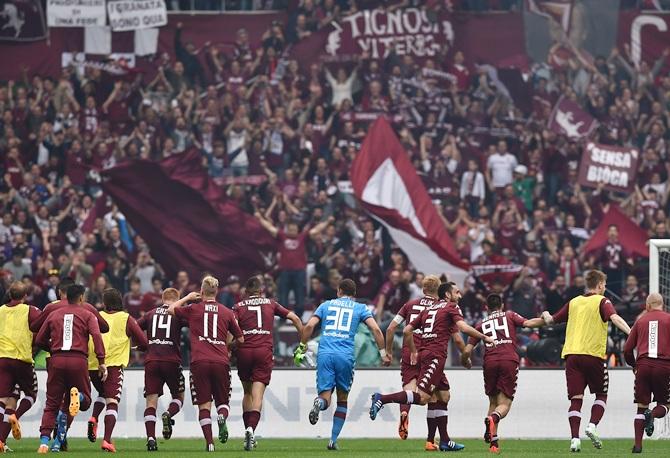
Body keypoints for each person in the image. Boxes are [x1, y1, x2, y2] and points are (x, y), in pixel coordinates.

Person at [369, 283, 492, 452]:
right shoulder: (451, 307)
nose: (460, 295)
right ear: (447, 295)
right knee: (424, 398)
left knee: (443, 395)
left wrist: (412, 349)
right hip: (435, 357)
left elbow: (406, 331)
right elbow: (462, 329)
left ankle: (443, 441)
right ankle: (382, 398)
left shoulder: (427, 309)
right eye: (457, 292)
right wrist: (484, 337)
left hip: (426, 354)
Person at [541, 269, 631, 452]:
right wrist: (632, 333)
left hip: (572, 356)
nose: (605, 288)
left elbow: (550, 321)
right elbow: (614, 318)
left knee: (576, 399)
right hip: (592, 354)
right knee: (601, 394)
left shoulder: (573, 302)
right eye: (604, 285)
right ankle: (592, 426)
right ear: (599, 285)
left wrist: (544, 313)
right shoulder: (602, 301)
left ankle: (575, 439)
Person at [294, 278, 388, 451]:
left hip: (325, 354)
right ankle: (333, 440)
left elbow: (309, 326)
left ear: (338, 291)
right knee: (342, 399)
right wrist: (383, 353)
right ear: (354, 294)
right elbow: (375, 329)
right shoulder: (361, 308)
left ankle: (319, 404)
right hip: (345, 356)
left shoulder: (325, 305)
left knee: (325, 397)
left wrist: (301, 347)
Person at [384, 276, 466, 449]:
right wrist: (465, 355)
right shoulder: (442, 308)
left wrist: (389, 352)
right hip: (431, 350)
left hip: (410, 349)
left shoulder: (410, 305)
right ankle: (431, 440)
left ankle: (405, 411)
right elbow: (457, 337)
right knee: (434, 396)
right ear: (439, 291)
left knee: (410, 389)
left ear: (423, 290)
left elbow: (391, 327)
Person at [461, 293, 546, 454]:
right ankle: (493, 419)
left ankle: (494, 444)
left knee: (493, 402)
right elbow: (529, 323)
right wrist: (544, 319)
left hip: (490, 362)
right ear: (502, 305)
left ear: (486, 308)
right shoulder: (510, 315)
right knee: (504, 404)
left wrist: (466, 361)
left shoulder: (481, 323)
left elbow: (467, 350)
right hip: (508, 360)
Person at [168, 276, 244, 452]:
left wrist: (187, 298)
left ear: (201, 292)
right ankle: (222, 417)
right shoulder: (227, 312)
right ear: (216, 292)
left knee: (204, 405)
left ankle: (210, 443)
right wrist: (227, 346)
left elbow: (171, 310)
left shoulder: (193, 309)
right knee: (223, 403)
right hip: (221, 361)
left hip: (199, 362)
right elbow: (241, 338)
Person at [34, 284, 107, 454]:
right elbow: (97, 335)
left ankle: (45, 442)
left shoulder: (54, 314)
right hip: (78, 360)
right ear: (81, 297)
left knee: (52, 404)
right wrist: (101, 360)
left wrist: (52, 349)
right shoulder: (88, 314)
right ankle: (79, 395)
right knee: (85, 401)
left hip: (57, 360)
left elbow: (39, 340)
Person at [233, 276, 303, 451]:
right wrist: (303, 343)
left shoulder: (238, 306)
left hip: (244, 351)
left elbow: (230, 327)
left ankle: (247, 433)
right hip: (263, 351)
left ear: (245, 293)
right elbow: (294, 318)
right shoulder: (271, 303)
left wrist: (228, 347)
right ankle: (251, 429)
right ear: (261, 291)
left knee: (247, 393)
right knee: (258, 395)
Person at [86, 288, 148, 452]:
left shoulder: (96, 316)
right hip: (113, 366)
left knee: (102, 393)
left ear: (104, 303)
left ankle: (94, 417)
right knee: (112, 402)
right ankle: (107, 440)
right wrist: (139, 347)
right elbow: (143, 341)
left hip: (93, 365)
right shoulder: (126, 318)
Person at [138, 288, 195, 452]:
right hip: (171, 361)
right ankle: (168, 415)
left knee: (151, 401)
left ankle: (150, 439)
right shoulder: (178, 313)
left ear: (163, 299)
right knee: (178, 396)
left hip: (152, 360)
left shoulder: (150, 314)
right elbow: (194, 322)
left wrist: (144, 344)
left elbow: (134, 327)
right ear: (177, 299)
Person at [254, 215, 333, 319]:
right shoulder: (282, 236)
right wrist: (260, 219)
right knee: (283, 297)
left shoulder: (302, 237)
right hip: (285, 271)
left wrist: (327, 222)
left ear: (297, 230)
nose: (293, 231)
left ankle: (298, 317)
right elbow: (270, 228)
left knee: (300, 296)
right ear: (287, 229)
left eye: (295, 230)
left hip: (299, 272)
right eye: (291, 229)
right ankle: (283, 317)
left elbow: (315, 230)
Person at [623, 293, 670, 454]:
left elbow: (627, 349)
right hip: (664, 367)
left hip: (642, 366)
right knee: (665, 404)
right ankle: (653, 414)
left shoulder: (640, 321)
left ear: (647, 305)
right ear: (662, 305)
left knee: (641, 407)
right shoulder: (669, 319)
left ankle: (637, 446)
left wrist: (633, 365)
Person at [0, 282, 41, 452]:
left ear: (10, 294)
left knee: (6, 400)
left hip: (2, 359)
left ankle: (1, 441)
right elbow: (40, 328)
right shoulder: (30, 310)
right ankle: (15, 416)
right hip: (21, 359)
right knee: (31, 394)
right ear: (25, 296)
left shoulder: (0, 310)